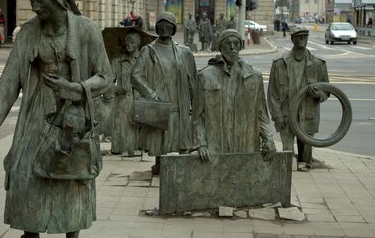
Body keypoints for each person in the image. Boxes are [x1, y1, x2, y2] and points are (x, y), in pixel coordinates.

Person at [0, 0, 113, 238]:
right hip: (36, 117)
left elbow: (106, 78)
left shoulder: (86, 30)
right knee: (25, 176)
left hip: (72, 118)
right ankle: (30, 232)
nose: (35, 7)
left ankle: (72, 233)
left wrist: (75, 89)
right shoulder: (28, 32)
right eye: (31, 1)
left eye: (40, 1)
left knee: (71, 178)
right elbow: (10, 79)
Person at [193, 29, 276, 162]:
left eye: (236, 43)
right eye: (228, 43)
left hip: (245, 144)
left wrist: (269, 138)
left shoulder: (254, 76)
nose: (232, 47)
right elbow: (197, 116)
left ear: (240, 46)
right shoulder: (205, 76)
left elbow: (261, 113)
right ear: (220, 47)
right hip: (216, 146)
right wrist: (201, 143)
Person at [131, 12, 197, 175]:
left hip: (179, 100)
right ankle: (159, 164)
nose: (164, 28)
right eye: (161, 24)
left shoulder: (185, 52)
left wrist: (195, 103)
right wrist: (151, 94)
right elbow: (135, 76)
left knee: (180, 135)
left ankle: (182, 166)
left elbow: (193, 82)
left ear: (174, 29)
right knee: (159, 136)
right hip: (159, 100)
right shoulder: (148, 51)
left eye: (168, 25)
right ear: (157, 27)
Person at [267, 26, 329, 172]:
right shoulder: (279, 64)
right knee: (287, 156)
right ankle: (292, 161)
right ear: (292, 39)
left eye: (305, 37)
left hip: (307, 114)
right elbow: (272, 94)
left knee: (305, 158)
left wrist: (318, 95)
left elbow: (326, 93)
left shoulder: (318, 64)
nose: (302, 40)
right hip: (286, 114)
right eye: (299, 37)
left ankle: (306, 161)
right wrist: (277, 115)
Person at [110, 32, 141, 156]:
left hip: (138, 98)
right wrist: (115, 88)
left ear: (137, 44)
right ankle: (119, 148)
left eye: (132, 42)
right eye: (127, 42)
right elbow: (108, 81)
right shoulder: (117, 61)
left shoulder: (142, 60)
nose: (128, 45)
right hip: (121, 100)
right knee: (121, 125)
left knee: (137, 124)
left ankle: (137, 147)